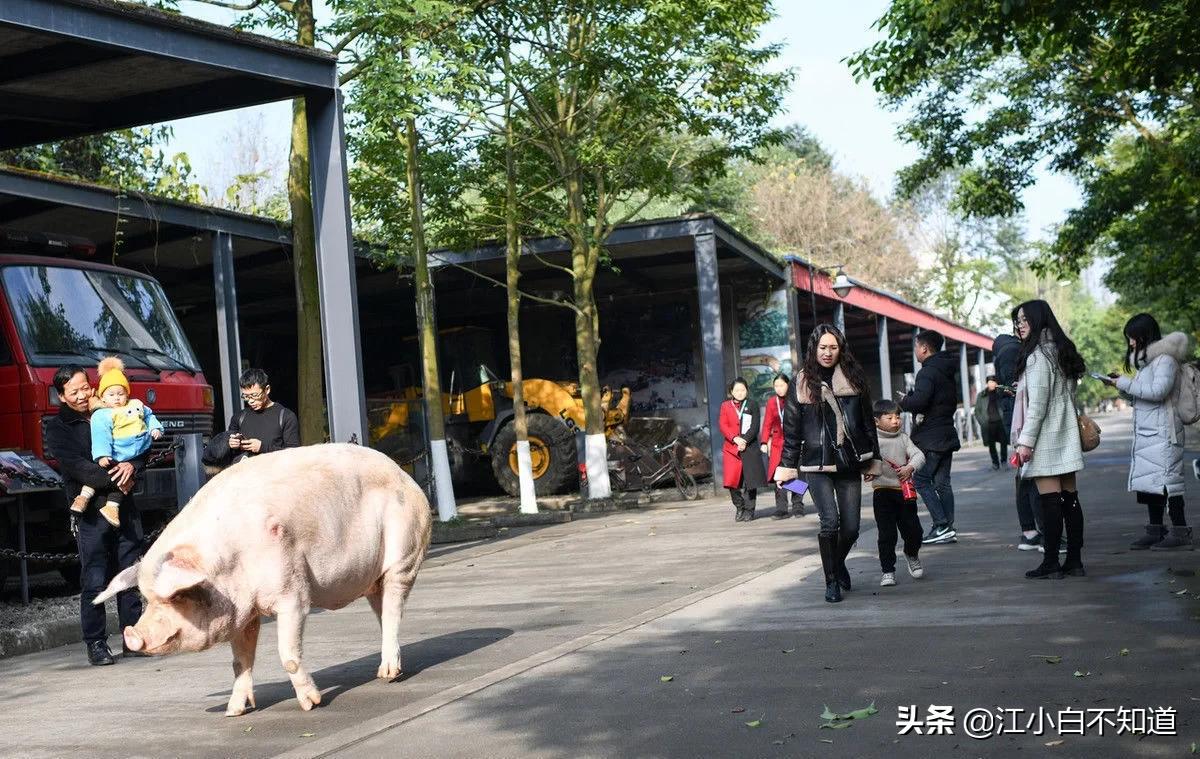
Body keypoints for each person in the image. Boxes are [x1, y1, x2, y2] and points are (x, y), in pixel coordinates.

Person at [43, 364, 146, 666]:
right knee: (95, 577)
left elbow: (139, 441)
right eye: (73, 392)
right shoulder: (58, 428)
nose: (81, 395)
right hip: (90, 511)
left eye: (85, 388)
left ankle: (133, 636)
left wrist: (133, 466)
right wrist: (121, 478)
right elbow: (78, 468)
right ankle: (96, 643)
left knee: (130, 573)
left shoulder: (113, 408)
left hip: (124, 504)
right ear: (61, 396)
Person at [774, 324, 882, 603]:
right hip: (815, 465)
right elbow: (791, 433)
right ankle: (831, 581)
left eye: (833, 347)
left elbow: (867, 422)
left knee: (852, 528)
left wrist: (874, 459)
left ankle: (836, 562)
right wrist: (787, 468)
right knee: (830, 522)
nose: (827, 352)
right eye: (823, 347)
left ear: (840, 349)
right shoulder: (801, 383)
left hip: (849, 463)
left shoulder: (854, 379)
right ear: (814, 349)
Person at [1101, 315, 1192, 551]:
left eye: (1133, 337)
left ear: (1145, 335)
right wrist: (1119, 386)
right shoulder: (1148, 364)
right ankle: (1155, 530)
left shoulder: (1165, 360)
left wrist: (1125, 383)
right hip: (1150, 431)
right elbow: (1142, 396)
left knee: (1169, 483)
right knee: (1152, 483)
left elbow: (1158, 391)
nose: (1131, 343)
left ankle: (1180, 532)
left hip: (1164, 432)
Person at [1011, 299, 1087, 579]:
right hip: (1066, 434)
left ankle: (1051, 562)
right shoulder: (1062, 350)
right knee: (1070, 500)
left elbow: (1038, 406)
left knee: (1050, 502)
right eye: (1017, 321)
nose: (1020, 326)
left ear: (1038, 319)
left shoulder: (1038, 356)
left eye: (1024, 320)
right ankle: (1075, 562)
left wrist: (1025, 443)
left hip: (1046, 438)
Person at [70, 357, 163, 528]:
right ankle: (82, 498)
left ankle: (112, 508)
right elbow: (101, 436)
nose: (117, 398)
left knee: (124, 479)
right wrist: (102, 455)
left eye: (121, 394)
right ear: (103, 397)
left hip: (133, 454)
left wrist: (155, 428)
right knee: (113, 476)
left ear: (127, 394)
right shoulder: (103, 414)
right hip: (114, 455)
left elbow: (149, 416)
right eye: (111, 395)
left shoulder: (136, 405)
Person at [900, 330, 961, 545]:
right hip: (946, 433)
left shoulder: (926, 372)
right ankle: (948, 528)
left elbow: (920, 402)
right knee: (943, 483)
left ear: (924, 348)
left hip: (931, 437)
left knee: (921, 480)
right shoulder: (946, 370)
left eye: (916, 347)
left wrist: (905, 401)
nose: (915, 351)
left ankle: (941, 524)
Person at [997, 332, 1044, 552]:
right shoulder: (1014, 353)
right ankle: (1043, 533)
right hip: (1026, 427)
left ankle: (1030, 532)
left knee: (1025, 479)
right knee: (1034, 480)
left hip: (1019, 427)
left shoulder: (1005, 354)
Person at [871, 400, 926, 587]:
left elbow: (919, 455)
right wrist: (867, 470)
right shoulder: (872, 440)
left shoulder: (903, 438)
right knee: (887, 535)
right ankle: (888, 570)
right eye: (890, 418)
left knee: (914, 531)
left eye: (898, 417)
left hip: (904, 493)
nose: (895, 421)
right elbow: (864, 460)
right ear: (877, 421)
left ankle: (911, 553)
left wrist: (910, 467)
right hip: (882, 492)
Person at [223, 368, 300, 461]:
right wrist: (231, 444)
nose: (250, 401)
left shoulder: (286, 417)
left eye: (254, 395)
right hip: (245, 469)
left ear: (267, 390)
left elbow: (293, 454)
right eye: (246, 396)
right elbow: (227, 454)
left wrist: (262, 447)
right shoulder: (239, 417)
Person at [719, 377, 768, 522]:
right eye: (737, 390)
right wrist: (735, 438)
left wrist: (745, 440)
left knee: (750, 481)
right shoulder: (725, 406)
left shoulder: (752, 404)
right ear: (731, 391)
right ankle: (739, 506)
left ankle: (749, 510)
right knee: (731, 481)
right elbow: (723, 425)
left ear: (747, 390)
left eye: (743, 389)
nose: (740, 392)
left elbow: (755, 426)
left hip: (749, 447)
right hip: (731, 448)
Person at [760, 373, 804, 519]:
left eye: (781, 385)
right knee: (778, 475)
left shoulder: (796, 399)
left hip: (795, 442)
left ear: (788, 385)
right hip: (778, 443)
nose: (779, 388)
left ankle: (798, 506)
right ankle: (781, 508)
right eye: (776, 386)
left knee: (795, 474)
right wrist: (764, 442)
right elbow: (767, 423)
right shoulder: (772, 402)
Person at [973, 375, 1011, 470]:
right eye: (990, 382)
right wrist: (982, 421)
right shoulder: (982, 395)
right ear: (987, 383)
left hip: (1000, 422)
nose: (992, 384)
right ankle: (995, 463)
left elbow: (1008, 400)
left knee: (1004, 442)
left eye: (993, 382)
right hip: (988, 423)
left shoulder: (1000, 393)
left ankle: (1003, 461)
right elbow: (977, 411)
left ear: (996, 383)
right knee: (991, 444)